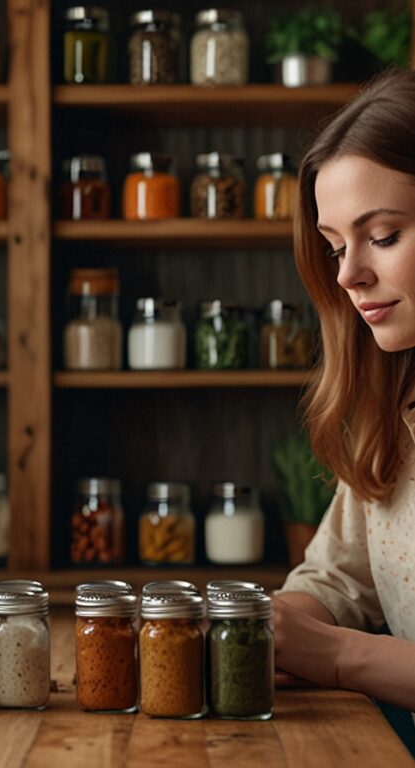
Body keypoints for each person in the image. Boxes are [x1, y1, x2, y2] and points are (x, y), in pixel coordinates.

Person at [273, 66, 415, 723]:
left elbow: (331, 641)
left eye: (382, 236)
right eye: (333, 247)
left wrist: (332, 654)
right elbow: (335, 578)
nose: (349, 275)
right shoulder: (392, 407)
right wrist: (269, 625)